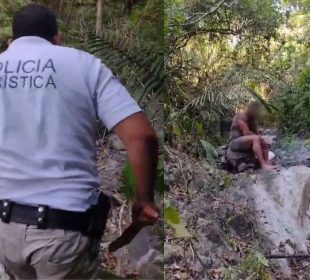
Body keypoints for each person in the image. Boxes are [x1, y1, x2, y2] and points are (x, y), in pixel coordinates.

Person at [0, 4, 159, 279]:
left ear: (11, 42)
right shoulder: (82, 64)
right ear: (57, 39)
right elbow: (141, 136)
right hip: (64, 232)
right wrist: (143, 199)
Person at [229, 100, 275, 170]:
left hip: (246, 143)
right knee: (256, 138)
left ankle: (267, 162)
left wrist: (262, 140)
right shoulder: (241, 116)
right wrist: (259, 138)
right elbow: (246, 133)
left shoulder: (253, 120)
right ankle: (262, 164)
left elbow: (256, 133)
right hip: (235, 142)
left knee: (262, 140)